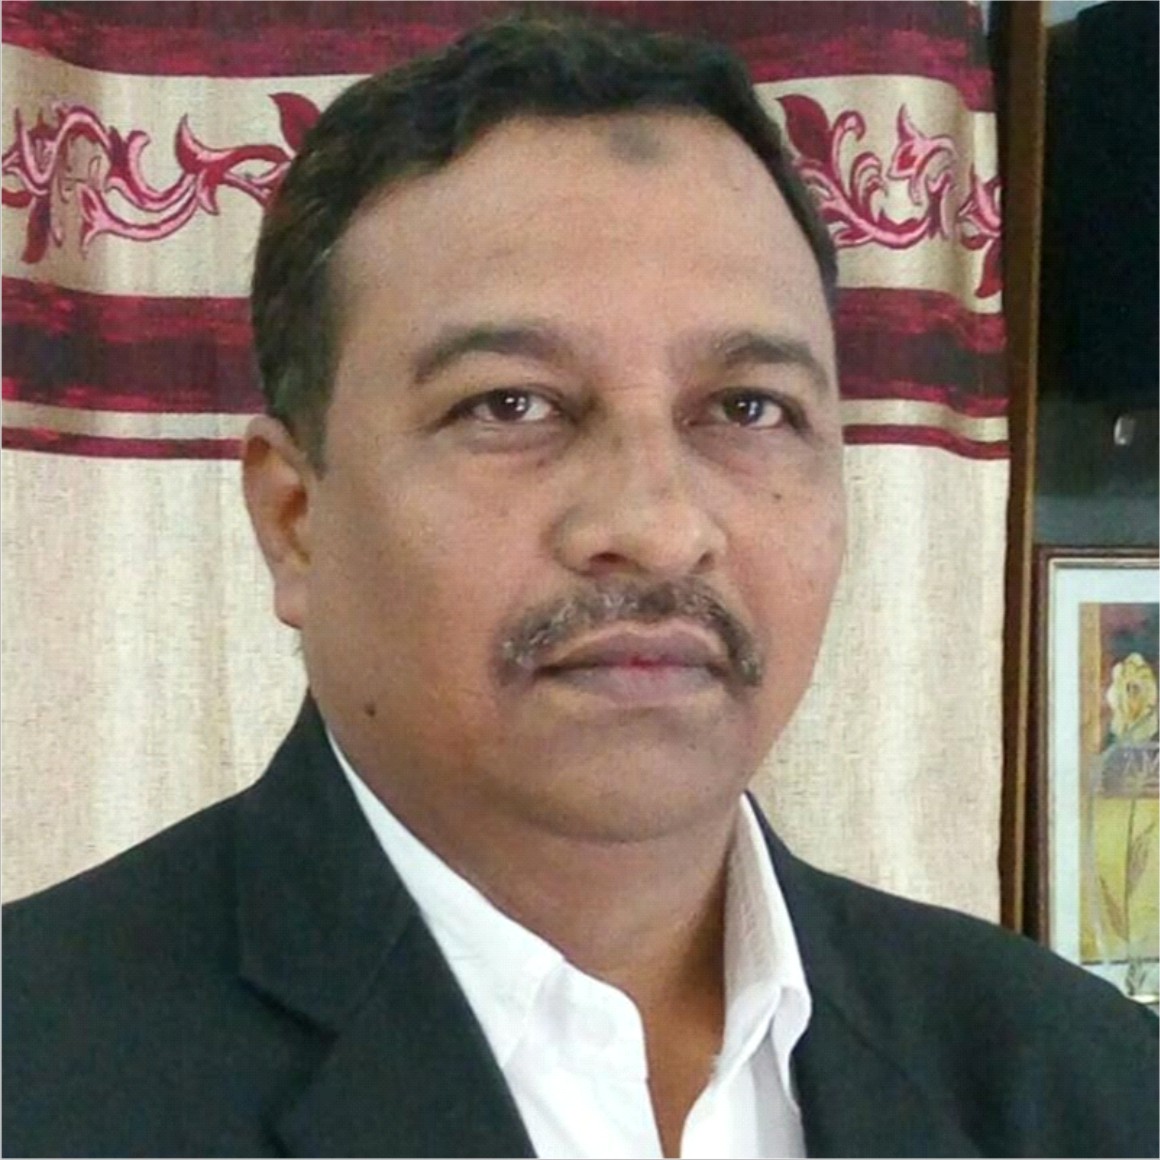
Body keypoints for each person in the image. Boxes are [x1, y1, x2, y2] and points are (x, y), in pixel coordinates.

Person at [4, 10, 1156, 1159]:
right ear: (293, 518)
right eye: (510, 404)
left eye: (746, 407)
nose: (656, 528)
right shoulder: (40, 1069)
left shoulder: (1080, 1083)